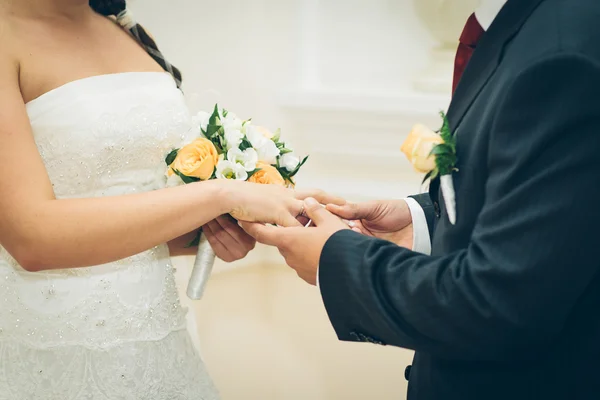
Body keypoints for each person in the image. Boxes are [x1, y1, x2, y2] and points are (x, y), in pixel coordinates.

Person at [242, 0, 600, 399]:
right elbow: (553, 210)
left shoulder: (561, 55)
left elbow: (496, 305)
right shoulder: (527, 25)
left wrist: (335, 261)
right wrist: (423, 221)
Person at [0, 0, 339, 398]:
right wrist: (219, 193)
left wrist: (214, 231)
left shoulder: (125, 30)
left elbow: (139, 213)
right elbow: (31, 238)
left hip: (157, 337)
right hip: (55, 344)